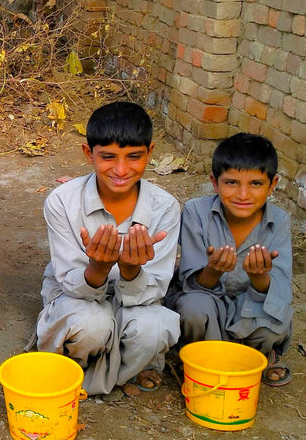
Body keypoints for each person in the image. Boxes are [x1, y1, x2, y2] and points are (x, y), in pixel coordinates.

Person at [35, 101, 179, 395]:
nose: (122, 169)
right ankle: (122, 372)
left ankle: (85, 379)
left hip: (136, 302)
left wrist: (130, 270)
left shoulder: (165, 207)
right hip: (78, 297)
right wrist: (97, 268)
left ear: (150, 153)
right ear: (89, 154)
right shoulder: (62, 201)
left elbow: (155, 290)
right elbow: (69, 283)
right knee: (92, 325)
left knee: (155, 327)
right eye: (109, 157)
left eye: (134, 157)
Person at [164, 133, 292, 386]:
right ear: (214, 182)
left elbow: (278, 290)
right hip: (207, 300)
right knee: (192, 310)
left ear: (273, 184)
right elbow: (191, 283)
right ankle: (201, 355)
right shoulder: (196, 212)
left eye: (256, 184)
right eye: (231, 182)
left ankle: (262, 354)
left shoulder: (280, 221)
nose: (243, 194)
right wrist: (212, 270)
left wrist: (259, 277)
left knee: (273, 323)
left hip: (249, 303)